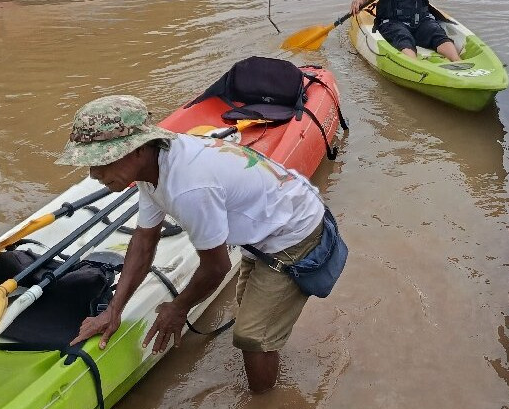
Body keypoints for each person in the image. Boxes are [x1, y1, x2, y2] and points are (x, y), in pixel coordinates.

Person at [58, 95, 329, 392]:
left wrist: (178, 308)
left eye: (101, 161)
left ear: (136, 150)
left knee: (252, 336)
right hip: (263, 226)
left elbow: (216, 268)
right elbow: (144, 241)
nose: (94, 175)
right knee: (250, 312)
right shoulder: (153, 167)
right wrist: (114, 310)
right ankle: (269, 343)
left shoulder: (188, 186)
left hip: (292, 232)